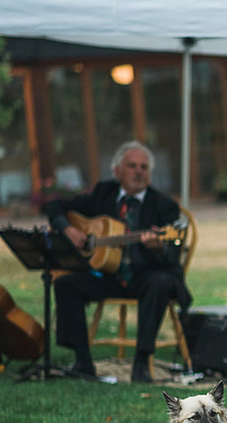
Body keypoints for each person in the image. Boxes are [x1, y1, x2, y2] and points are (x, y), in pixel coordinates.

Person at [45, 141, 191, 383]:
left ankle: (142, 362)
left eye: (144, 167)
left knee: (160, 282)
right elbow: (55, 206)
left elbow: (171, 258)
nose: (138, 171)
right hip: (110, 276)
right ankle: (83, 361)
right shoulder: (104, 193)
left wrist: (157, 246)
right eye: (132, 165)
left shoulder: (164, 206)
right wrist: (69, 230)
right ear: (117, 171)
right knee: (65, 284)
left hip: (148, 276)